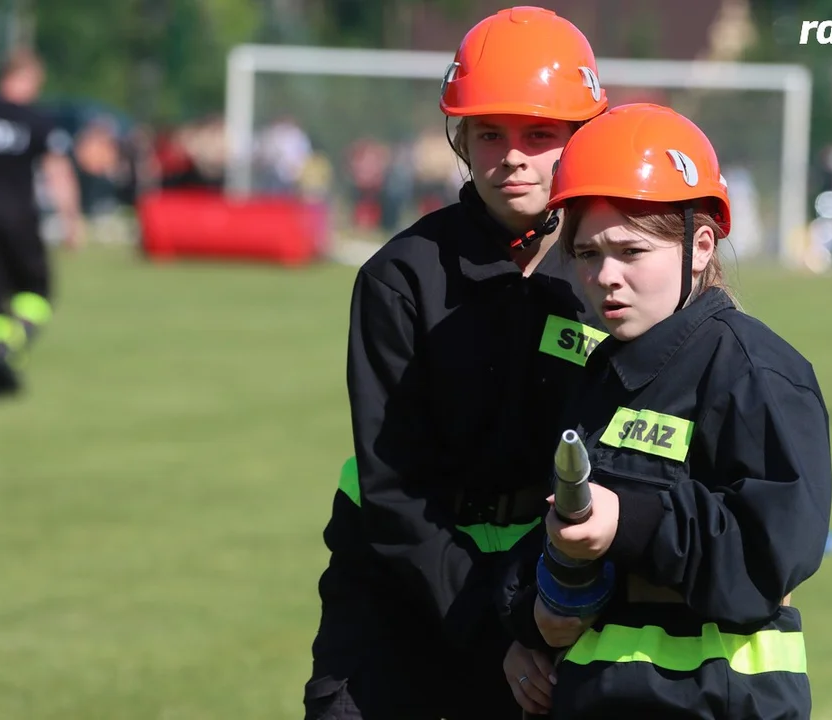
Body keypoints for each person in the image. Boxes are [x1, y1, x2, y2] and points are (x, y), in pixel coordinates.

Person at [302, 8, 609, 719]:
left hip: (549, 572)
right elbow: (395, 491)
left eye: (540, 134)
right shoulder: (399, 278)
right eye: (489, 133)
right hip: (396, 568)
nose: (514, 156)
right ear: (461, 140)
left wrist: (541, 612)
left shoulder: (610, 276)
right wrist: (492, 625)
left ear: (579, 138)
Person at [501, 103, 832, 718]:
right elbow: (562, 528)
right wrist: (527, 621)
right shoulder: (600, 373)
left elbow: (770, 552)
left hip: (713, 702)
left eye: (630, 252)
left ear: (700, 246)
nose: (604, 277)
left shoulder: (753, 370)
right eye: (586, 253)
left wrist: (632, 522)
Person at [0, 49, 81, 397]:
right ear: (25, 79)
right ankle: (9, 344)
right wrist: (71, 219)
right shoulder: (38, 120)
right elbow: (58, 171)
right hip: (19, 219)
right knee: (37, 289)